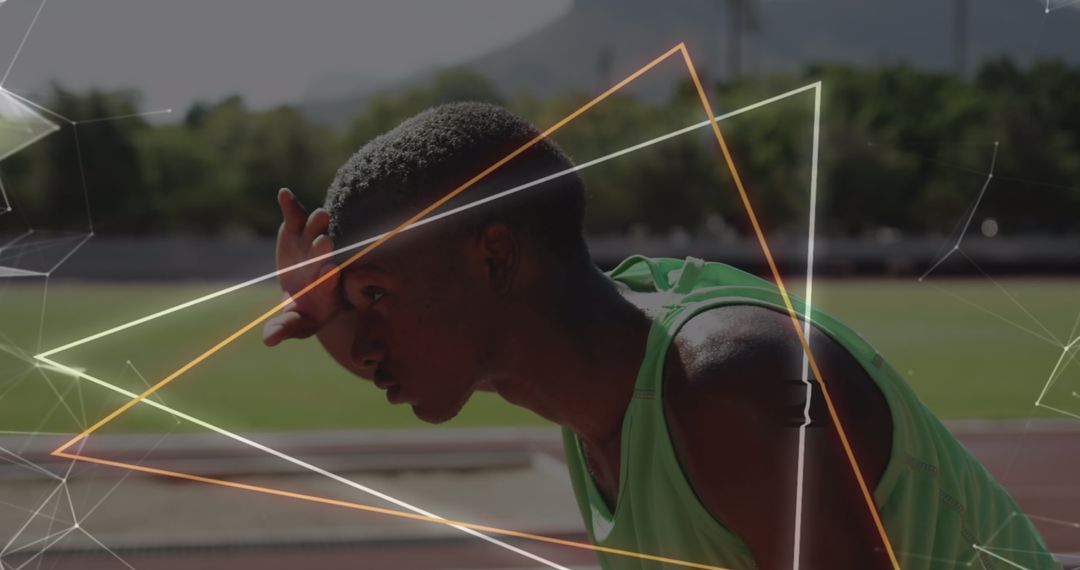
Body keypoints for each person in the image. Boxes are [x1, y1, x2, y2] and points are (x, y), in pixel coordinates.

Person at [261, 102, 1058, 570]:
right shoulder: (605, 371)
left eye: (374, 297)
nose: (361, 347)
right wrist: (331, 309)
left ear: (496, 257)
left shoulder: (730, 386)